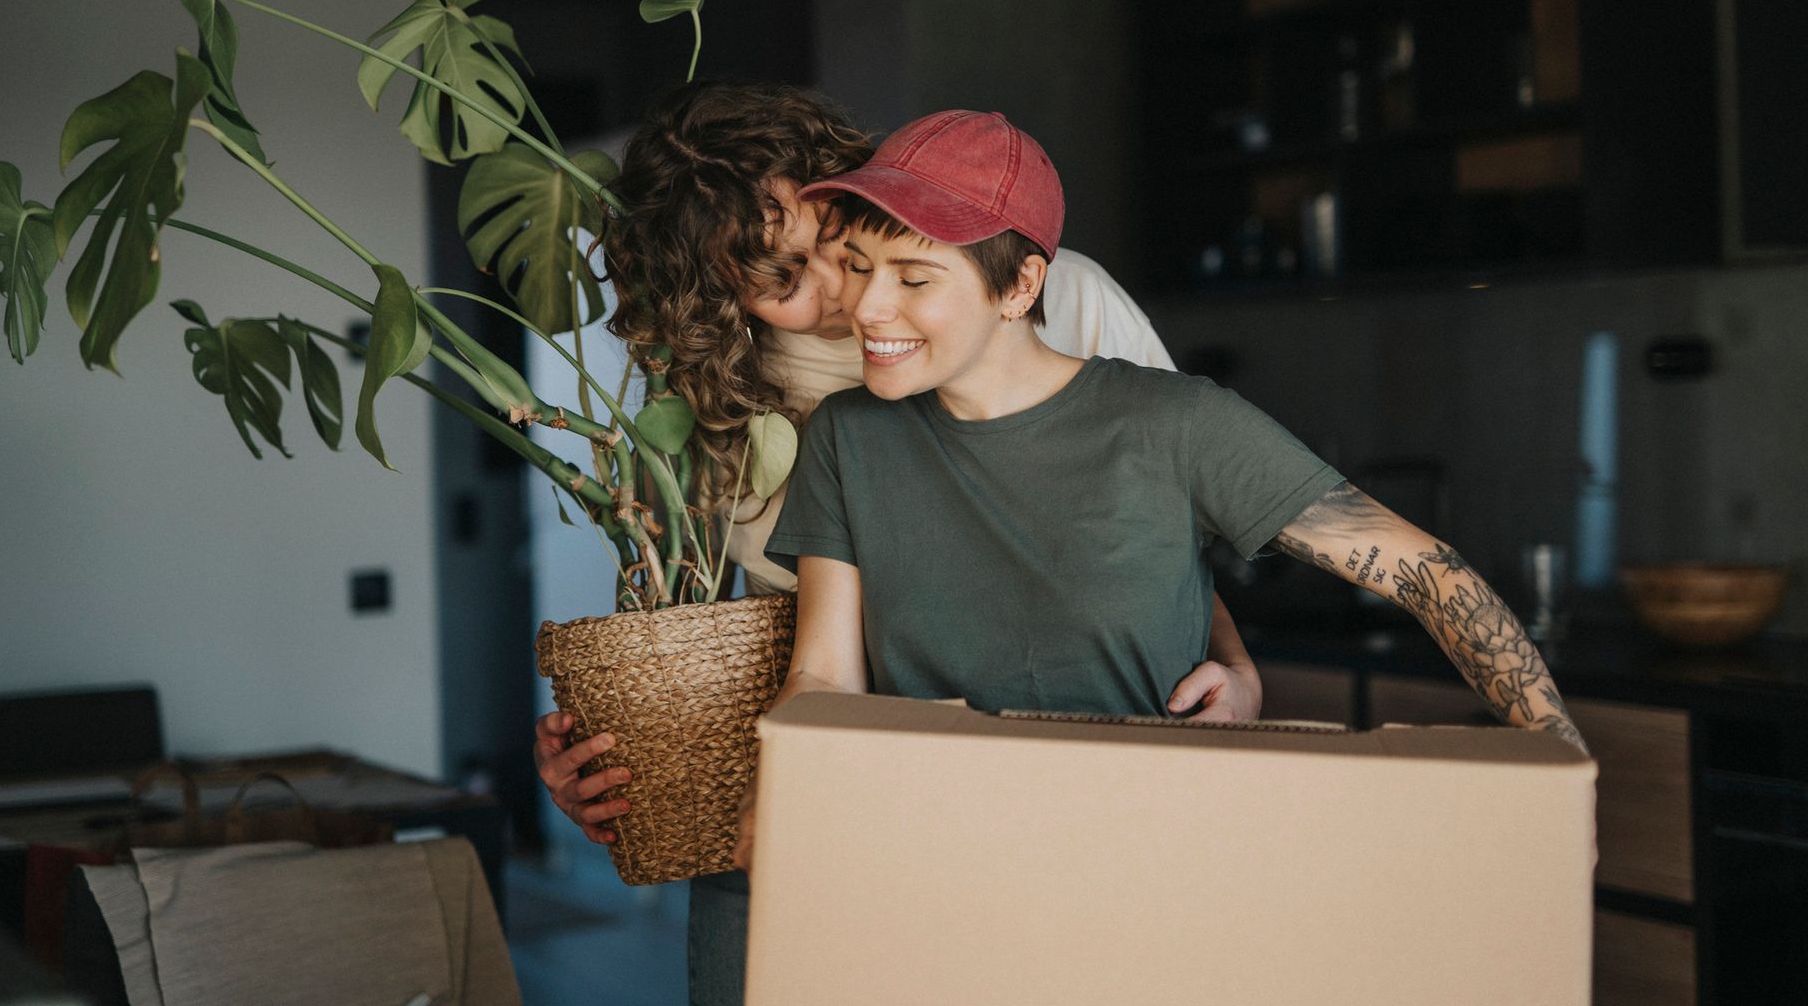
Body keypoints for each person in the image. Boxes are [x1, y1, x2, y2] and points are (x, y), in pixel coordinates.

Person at [530, 82, 1265, 1005]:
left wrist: (1235, 665)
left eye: (832, 235)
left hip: (1038, 798)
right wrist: (600, 749)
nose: (846, 293)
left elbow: (1164, 532)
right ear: (720, 297)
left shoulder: (1053, 292)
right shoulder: (717, 395)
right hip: (795, 805)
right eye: (782, 283)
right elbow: (690, 625)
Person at [736, 108, 1587, 878]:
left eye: (914, 279)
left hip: (1155, 862)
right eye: (858, 266)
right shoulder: (850, 436)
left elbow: (1427, 573)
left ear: (1020, 286)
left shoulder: (1179, 424)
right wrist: (773, 793)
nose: (869, 309)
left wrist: (1561, 763)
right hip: (936, 866)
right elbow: (823, 672)